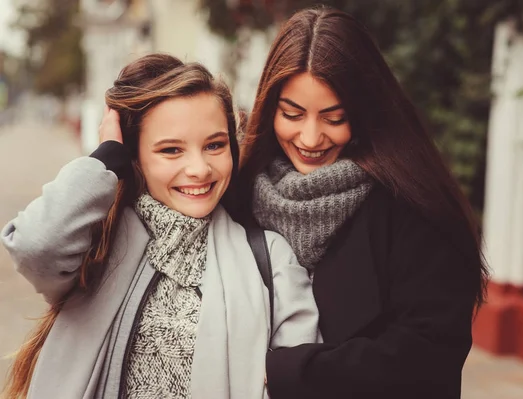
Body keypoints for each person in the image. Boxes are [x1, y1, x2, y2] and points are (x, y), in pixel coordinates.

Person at [1, 54, 319, 399]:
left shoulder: (271, 261)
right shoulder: (97, 243)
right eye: (171, 150)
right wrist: (105, 158)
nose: (199, 168)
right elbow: (35, 246)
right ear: (135, 157)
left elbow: (300, 383)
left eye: (215, 145)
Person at [236, 6, 489, 399]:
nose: (310, 137)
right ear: (270, 108)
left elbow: (428, 355)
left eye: (334, 118)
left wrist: (287, 371)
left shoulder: (414, 206)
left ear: (367, 113)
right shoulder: (242, 193)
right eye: (292, 114)